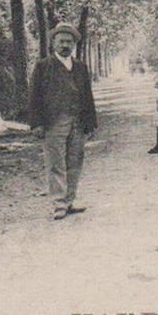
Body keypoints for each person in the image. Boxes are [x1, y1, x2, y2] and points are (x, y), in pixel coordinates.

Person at [29, 22, 97, 220]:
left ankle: (70, 199)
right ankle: (58, 203)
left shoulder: (81, 67)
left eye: (69, 41)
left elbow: (88, 96)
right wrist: (37, 123)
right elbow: (34, 96)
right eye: (61, 41)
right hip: (54, 122)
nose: (65, 45)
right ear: (53, 43)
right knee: (56, 162)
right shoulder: (43, 66)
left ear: (74, 44)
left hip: (78, 121)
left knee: (75, 161)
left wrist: (90, 122)